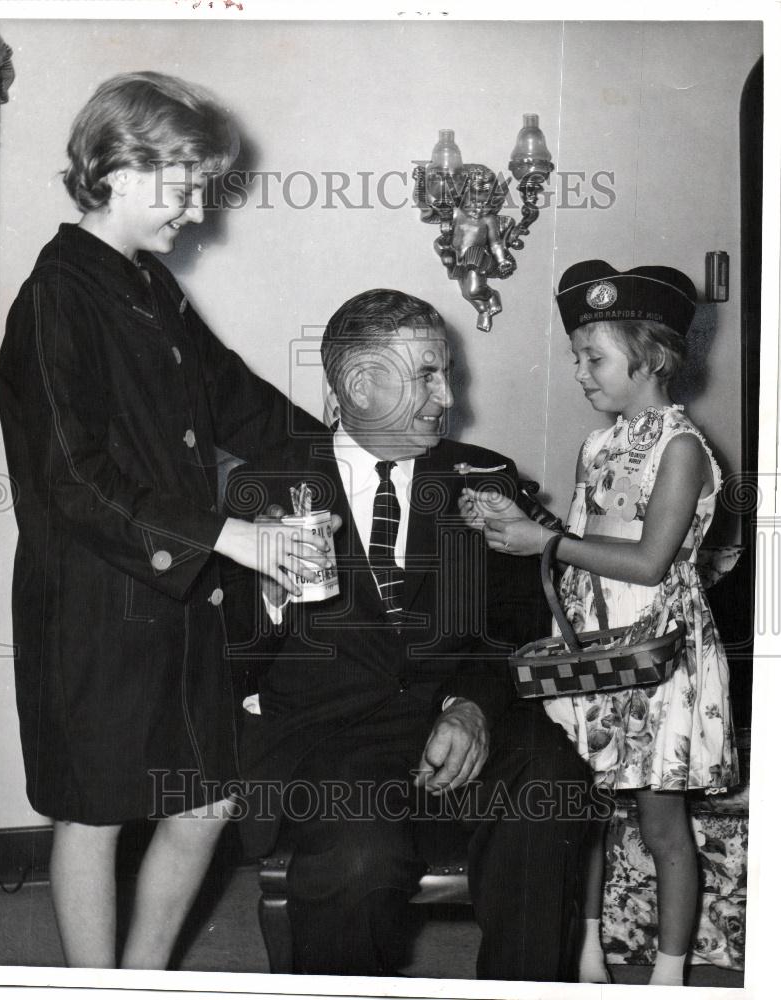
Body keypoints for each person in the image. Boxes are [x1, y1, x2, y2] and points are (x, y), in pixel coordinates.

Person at [0, 71, 334, 970]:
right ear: (119, 168)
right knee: (95, 810)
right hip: (97, 608)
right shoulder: (56, 297)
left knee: (204, 801)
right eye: (186, 188)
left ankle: (141, 981)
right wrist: (229, 536)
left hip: (181, 604)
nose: (198, 211)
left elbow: (241, 403)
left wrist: (344, 456)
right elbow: (73, 479)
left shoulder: (151, 288)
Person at [230, 288, 596, 982]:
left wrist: (473, 704)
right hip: (331, 741)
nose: (448, 395)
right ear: (360, 383)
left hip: (456, 716)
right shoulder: (265, 487)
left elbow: (516, 630)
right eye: (428, 374)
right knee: (358, 861)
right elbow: (225, 648)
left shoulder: (485, 478)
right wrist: (270, 598)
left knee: (553, 779)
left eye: (447, 372)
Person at [461, 260, 739, 986]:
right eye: (578, 358)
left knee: (659, 822)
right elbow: (583, 552)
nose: (581, 373)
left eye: (595, 358)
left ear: (651, 357)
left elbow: (648, 562)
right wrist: (516, 525)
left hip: (657, 654)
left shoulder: (680, 450)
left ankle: (669, 972)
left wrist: (543, 540)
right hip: (590, 647)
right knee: (578, 806)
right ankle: (588, 952)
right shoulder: (596, 445)